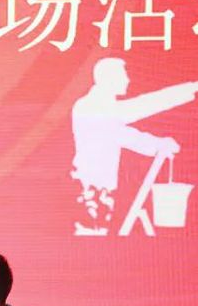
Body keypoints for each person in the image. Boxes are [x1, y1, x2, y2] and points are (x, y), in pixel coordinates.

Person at [71, 58, 198, 235]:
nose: (127, 80)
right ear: (109, 79)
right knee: (91, 235)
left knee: (97, 233)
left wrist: (191, 88)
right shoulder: (91, 106)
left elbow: (142, 105)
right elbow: (124, 133)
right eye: (123, 75)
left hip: (97, 187)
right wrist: (159, 144)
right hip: (90, 189)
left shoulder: (100, 105)